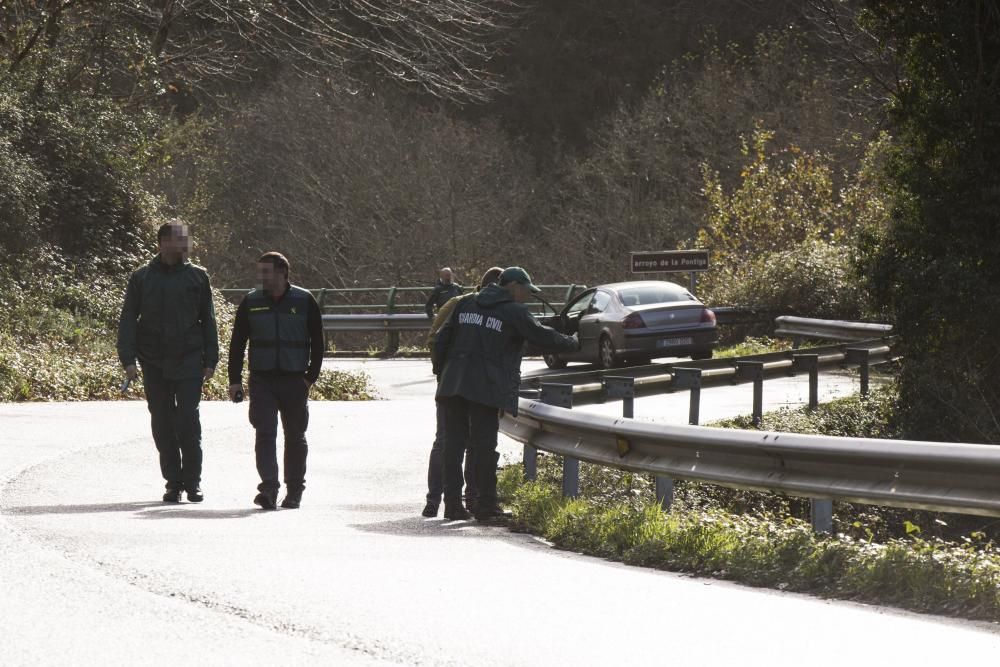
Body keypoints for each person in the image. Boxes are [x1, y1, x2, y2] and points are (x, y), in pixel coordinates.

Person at [434, 266, 578, 522]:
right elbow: (543, 336)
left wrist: (442, 374)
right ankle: (486, 506)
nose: (529, 296)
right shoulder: (513, 311)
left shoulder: (466, 303)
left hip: (453, 384)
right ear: (513, 286)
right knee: (484, 447)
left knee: (453, 446)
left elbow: (441, 339)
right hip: (485, 388)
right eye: (526, 290)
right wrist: (573, 342)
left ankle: (453, 505)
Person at [117, 221, 219, 503]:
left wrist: (211, 358)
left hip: (189, 360)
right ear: (162, 242)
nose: (185, 243)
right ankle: (173, 482)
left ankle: (193, 482)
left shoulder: (198, 277)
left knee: (188, 419)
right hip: (153, 361)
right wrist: (128, 358)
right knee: (162, 422)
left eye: (186, 239)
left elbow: (207, 319)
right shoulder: (142, 278)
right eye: (178, 239)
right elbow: (128, 318)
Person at [228, 252, 324, 510]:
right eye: (260, 272)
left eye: (266, 272)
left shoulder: (304, 300)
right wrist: (234, 380)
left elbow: (318, 342)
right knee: (265, 434)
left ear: (282, 272)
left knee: (295, 436)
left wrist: (309, 378)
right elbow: (237, 343)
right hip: (262, 380)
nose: (261, 277)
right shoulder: (251, 301)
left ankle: (294, 490)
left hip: (295, 380)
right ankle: (269, 489)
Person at [421, 266, 504, 518]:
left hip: (451, 383)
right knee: (462, 443)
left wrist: (444, 373)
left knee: (448, 442)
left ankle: (444, 501)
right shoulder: (466, 304)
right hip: (466, 385)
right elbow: (437, 339)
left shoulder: (459, 302)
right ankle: (453, 499)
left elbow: (435, 339)